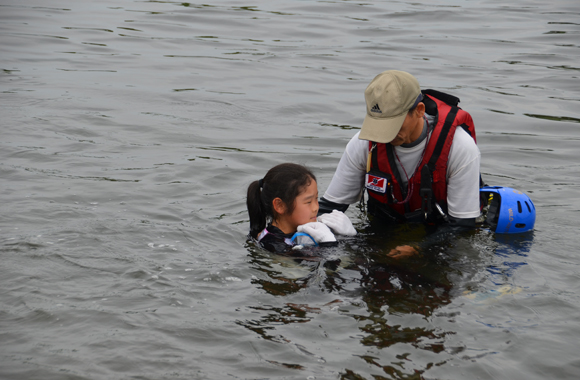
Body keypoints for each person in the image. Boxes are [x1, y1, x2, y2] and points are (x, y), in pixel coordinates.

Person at [319, 70, 482, 257]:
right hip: (383, 227)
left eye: (393, 123)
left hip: (439, 236)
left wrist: (419, 247)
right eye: (379, 124)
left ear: (419, 110)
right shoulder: (362, 144)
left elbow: (463, 227)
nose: (384, 134)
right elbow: (329, 207)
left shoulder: (460, 147)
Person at [247, 163, 357, 254]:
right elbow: (311, 272)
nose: (316, 208)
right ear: (279, 206)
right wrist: (329, 245)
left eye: (316, 199)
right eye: (308, 202)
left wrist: (349, 237)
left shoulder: (306, 230)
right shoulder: (271, 243)